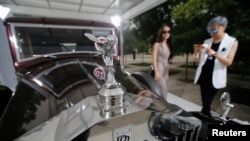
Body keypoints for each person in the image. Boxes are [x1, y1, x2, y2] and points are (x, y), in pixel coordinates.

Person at [193, 16, 238, 117]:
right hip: (203, 74)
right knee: (204, 99)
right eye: (209, 31)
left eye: (214, 30)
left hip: (216, 76)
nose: (211, 33)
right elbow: (197, 60)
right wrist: (196, 51)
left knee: (207, 101)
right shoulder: (207, 41)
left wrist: (215, 54)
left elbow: (229, 62)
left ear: (223, 27)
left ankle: (205, 117)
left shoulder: (232, 42)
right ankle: (205, 115)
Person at [152, 24, 173, 101]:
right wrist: (156, 72)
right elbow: (154, 59)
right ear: (161, 33)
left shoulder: (168, 45)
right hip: (159, 68)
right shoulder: (157, 45)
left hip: (166, 70)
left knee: (165, 89)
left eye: (168, 31)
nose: (167, 33)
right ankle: (162, 106)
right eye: (164, 31)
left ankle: (161, 106)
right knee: (162, 89)